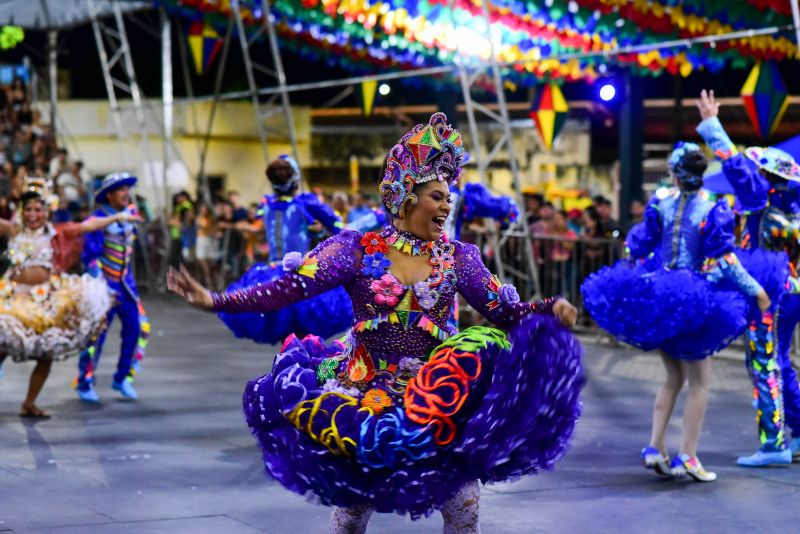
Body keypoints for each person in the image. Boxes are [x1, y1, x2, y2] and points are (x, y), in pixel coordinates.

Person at [168, 113, 584, 532]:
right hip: (363, 391)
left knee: (463, 503)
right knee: (352, 510)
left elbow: (505, 312)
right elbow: (289, 289)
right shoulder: (356, 248)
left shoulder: (459, 257)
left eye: (448, 197)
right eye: (437, 196)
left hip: (438, 395)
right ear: (406, 195)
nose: (447, 205)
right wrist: (217, 300)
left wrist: (549, 308)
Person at [582, 143, 769, 481]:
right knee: (699, 382)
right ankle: (689, 456)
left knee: (672, 378)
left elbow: (636, 246)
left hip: (660, 296)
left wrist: (634, 274)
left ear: (674, 173)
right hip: (694, 300)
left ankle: (655, 446)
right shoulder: (713, 210)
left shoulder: (661, 206)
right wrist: (755, 288)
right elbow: (725, 259)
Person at [696, 88, 800, 466]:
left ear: (767, 177)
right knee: (780, 361)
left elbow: (735, 167)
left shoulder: (761, 199)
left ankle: (774, 444)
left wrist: (711, 124)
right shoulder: (791, 209)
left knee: (765, 362)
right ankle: (798, 432)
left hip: (769, 295)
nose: (751, 174)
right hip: (791, 292)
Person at [0, 190, 124, 417]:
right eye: (28, 209)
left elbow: (88, 225)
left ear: (46, 212)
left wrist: (116, 217)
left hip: (43, 301)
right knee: (0, 348)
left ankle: (29, 402)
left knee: (46, 354)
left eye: (38, 209)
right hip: (11, 299)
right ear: (21, 211)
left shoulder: (55, 233)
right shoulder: (13, 230)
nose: (33, 214)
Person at [217, 155, 352, 345]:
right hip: (301, 275)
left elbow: (259, 220)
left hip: (270, 274)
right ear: (296, 181)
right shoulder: (305, 203)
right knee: (304, 334)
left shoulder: (266, 205)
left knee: (284, 332)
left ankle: (288, 367)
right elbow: (339, 227)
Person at [74, 173, 150, 402]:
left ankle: (123, 377)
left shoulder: (131, 216)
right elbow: (90, 257)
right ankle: (85, 381)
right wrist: (102, 288)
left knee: (140, 329)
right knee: (94, 336)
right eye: (121, 190)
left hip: (127, 286)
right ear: (109, 195)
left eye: (128, 189)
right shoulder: (97, 219)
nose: (127, 193)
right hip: (102, 288)